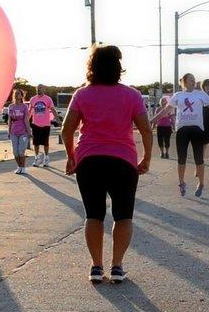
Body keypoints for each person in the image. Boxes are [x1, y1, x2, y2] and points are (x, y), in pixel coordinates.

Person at [61, 45, 153, 284]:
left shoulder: (82, 95)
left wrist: (72, 157)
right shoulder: (132, 95)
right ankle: (117, 267)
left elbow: (66, 129)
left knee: (94, 215)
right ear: (118, 67)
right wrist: (146, 158)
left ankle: (96, 266)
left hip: (89, 161)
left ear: (92, 67)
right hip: (123, 162)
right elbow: (145, 129)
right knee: (123, 216)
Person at [150, 73, 209, 197]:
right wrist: (153, 120)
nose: (194, 81)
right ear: (184, 82)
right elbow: (166, 110)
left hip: (197, 130)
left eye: (194, 80)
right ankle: (181, 183)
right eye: (191, 79)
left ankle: (201, 183)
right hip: (182, 130)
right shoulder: (178, 95)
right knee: (181, 159)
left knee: (199, 159)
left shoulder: (200, 94)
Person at [29, 84, 62, 167]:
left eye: (40, 88)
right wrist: (25, 120)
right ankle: (37, 158)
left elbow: (53, 110)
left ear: (44, 90)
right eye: (37, 88)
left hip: (46, 124)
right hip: (35, 124)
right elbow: (30, 111)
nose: (38, 90)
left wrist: (58, 120)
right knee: (36, 143)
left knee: (45, 143)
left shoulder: (48, 99)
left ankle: (46, 158)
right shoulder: (33, 99)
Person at [8, 89, 33, 174]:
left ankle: (23, 167)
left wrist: (29, 132)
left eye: (18, 94)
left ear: (22, 96)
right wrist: (9, 131)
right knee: (15, 152)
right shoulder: (11, 106)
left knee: (21, 151)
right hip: (13, 132)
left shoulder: (24, 107)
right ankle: (19, 167)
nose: (16, 95)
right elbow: (10, 120)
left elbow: (26, 119)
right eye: (15, 93)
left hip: (23, 132)